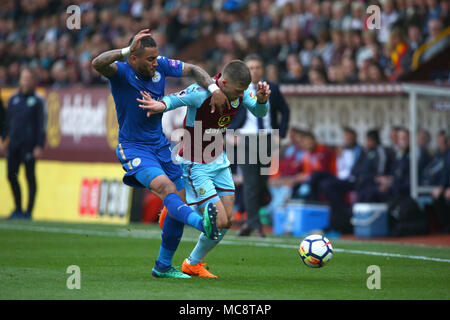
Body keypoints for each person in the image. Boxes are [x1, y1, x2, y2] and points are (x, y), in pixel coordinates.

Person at [91, 29, 230, 279]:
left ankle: (163, 266)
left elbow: (195, 70)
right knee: (166, 189)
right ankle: (202, 225)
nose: (156, 63)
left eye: (157, 57)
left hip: (160, 146)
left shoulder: (161, 67)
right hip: (134, 148)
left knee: (179, 197)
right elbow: (97, 63)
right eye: (149, 59)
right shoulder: (121, 72)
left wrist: (212, 87)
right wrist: (124, 50)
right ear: (133, 58)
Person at [138, 60, 270, 277]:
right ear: (224, 82)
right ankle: (175, 212)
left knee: (228, 220)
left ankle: (192, 262)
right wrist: (158, 105)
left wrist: (263, 101)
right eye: (238, 91)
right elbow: (173, 100)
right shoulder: (200, 93)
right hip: (195, 165)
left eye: (243, 91)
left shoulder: (240, 92)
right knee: (217, 220)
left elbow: (258, 112)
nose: (241, 95)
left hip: (220, 162)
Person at [228, 54, 290, 237]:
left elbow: (285, 111)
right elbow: (226, 113)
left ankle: (249, 223)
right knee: (250, 183)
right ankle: (256, 226)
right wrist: (230, 133)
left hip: (267, 138)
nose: (254, 71)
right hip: (245, 138)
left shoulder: (273, 88)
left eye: (257, 67)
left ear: (262, 70)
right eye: (251, 67)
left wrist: (282, 134)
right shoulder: (238, 88)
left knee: (262, 184)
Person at [1, 68, 46, 220]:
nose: (26, 81)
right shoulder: (13, 100)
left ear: (33, 81)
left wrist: (39, 145)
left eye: (28, 78)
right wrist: (3, 139)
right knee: (11, 176)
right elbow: (7, 123)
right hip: (14, 144)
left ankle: (28, 211)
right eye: (23, 78)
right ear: (20, 80)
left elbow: (42, 124)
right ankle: (18, 208)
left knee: (29, 177)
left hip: (29, 145)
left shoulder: (38, 101)